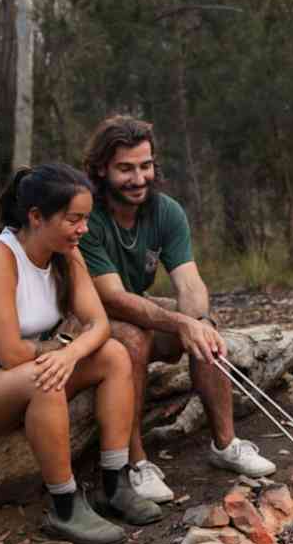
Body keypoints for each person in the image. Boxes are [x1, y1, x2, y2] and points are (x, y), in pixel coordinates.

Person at [0, 163, 164, 544]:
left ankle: (114, 483)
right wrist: (62, 352)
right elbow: (11, 353)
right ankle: (64, 506)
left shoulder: (66, 254)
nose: (84, 229)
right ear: (36, 217)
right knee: (43, 375)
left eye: (86, 218)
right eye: (73, 219)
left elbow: (98, 325)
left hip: (24, 375)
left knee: (115, 355)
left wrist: (69, 354)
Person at [79, 114, 275, 500]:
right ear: (101, 169)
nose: (139, 179)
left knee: (205, 326)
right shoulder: (88, 217)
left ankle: (225, 444)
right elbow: (112, 298)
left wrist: (196, 322)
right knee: (132, 340)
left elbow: (188, 281)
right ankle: (135, 463)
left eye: (145, 166)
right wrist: (179, 323)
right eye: (125, 169)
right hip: (85, 316)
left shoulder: (165, 210)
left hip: (134, 305)